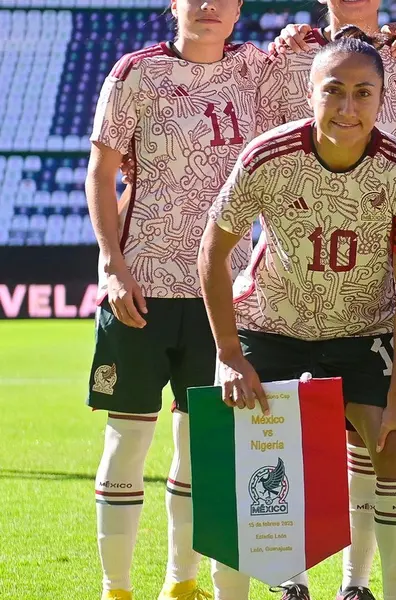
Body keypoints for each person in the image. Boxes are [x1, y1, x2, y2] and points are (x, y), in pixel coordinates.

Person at [197, 34, 396, 600]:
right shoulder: (266, 157)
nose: (348, 108)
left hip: (361, 333)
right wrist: (229, 354)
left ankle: (373, 589)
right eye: (334, 91)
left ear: (381, 98)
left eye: (363, 93)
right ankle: (285, 582)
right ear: (310, 93)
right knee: (235, 448)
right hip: (270, 326)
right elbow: (213, 249)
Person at [85, 0, 270, 597]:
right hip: (139, 290)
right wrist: (112, 265)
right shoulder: (135, 72)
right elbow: (101, 170)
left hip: (223, 296)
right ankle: (115, 588)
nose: (210, 6)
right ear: (175, 4)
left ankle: (181, 583)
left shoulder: (260, 69)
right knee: (128, 436)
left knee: (204, 450)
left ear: (240, 6)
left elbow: (335, 77)